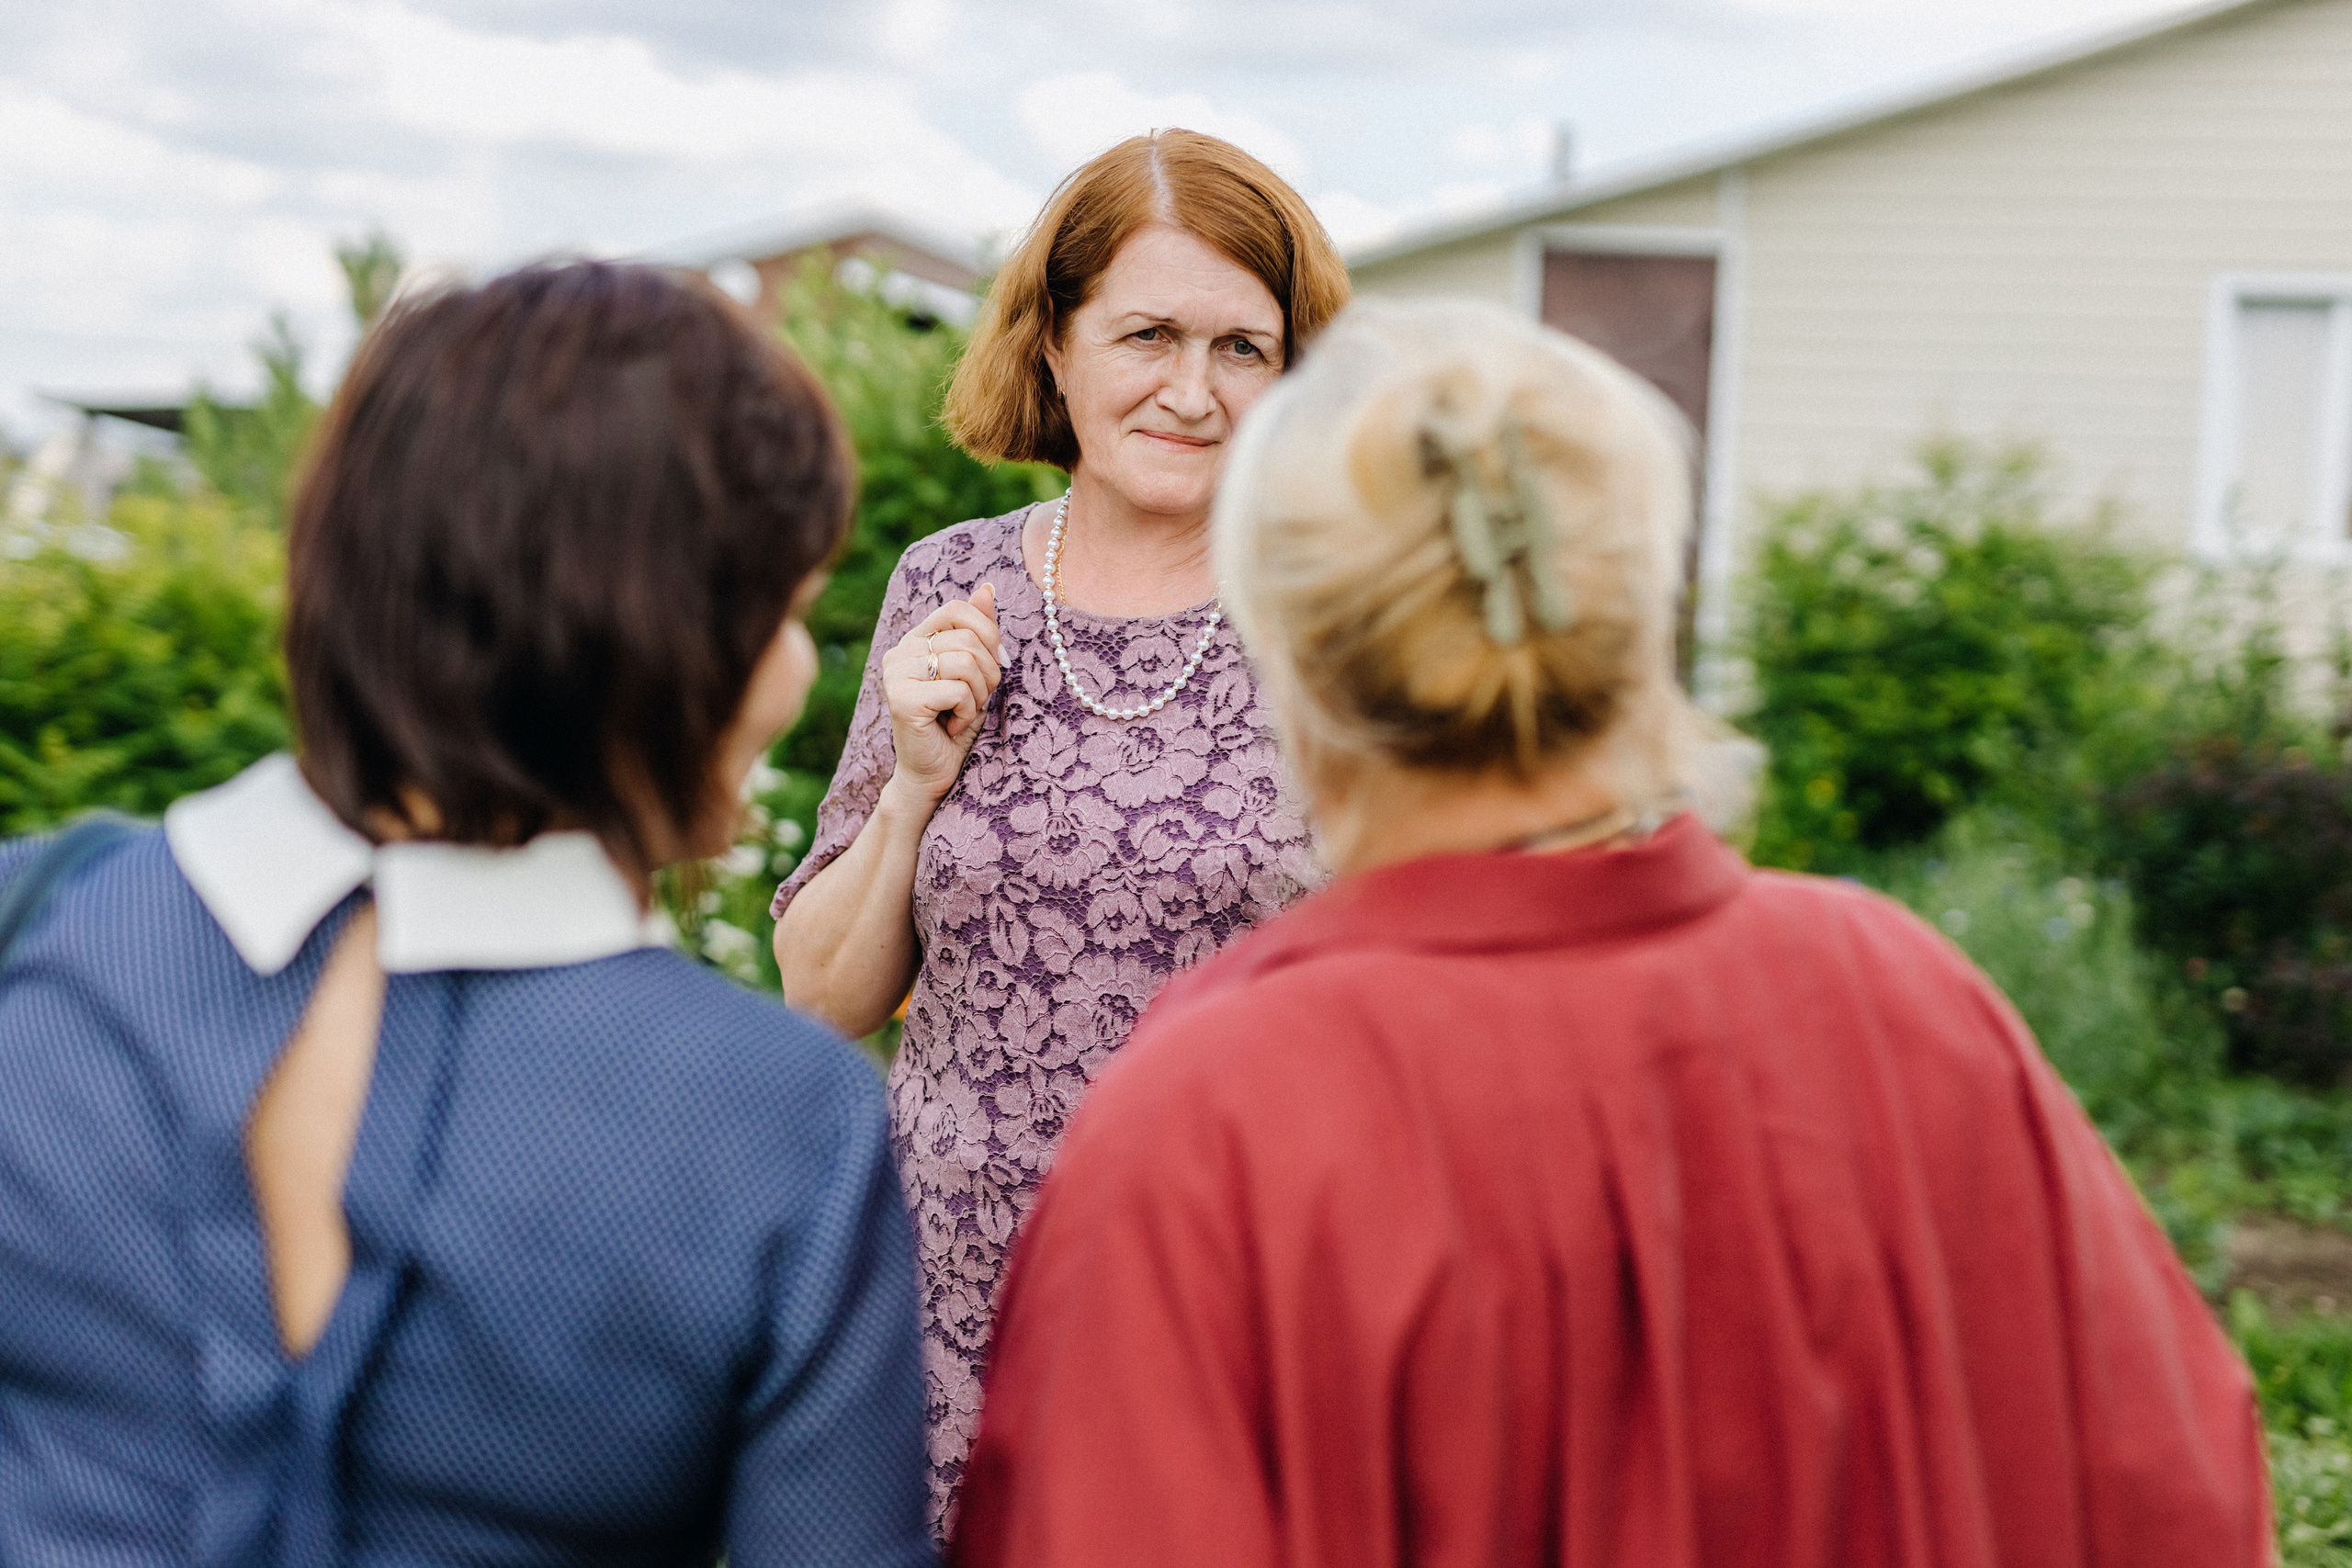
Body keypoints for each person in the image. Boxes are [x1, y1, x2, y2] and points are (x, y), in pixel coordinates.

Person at [950, 299, 2272, 1568]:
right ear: (1642, 614)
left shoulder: (1217, 1113)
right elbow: (2176, 1499)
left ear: (1290, 655)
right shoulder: (1901, 994)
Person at [0, 264, 932, 1567]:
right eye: (784, 609)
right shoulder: (777, 1131)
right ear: (672, 637)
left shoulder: (34, 921)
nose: (792, 664)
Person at [770, 128, 1351, 1529]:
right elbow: (821, 996)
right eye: (1148, 333)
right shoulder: (949, 585)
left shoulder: (1344, 620)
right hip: (945, 1297)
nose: (1193, 392)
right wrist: (913, 784)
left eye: (1243, 349)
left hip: (1237, 1299)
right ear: (1056, 347)